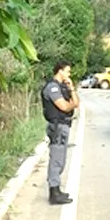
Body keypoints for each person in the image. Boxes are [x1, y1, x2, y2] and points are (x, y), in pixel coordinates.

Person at [41, 61, 80, 205]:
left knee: (61, 160)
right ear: (60, 71)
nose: (69, 74)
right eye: (67, 71)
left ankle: (57, 190)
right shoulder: (52, 88)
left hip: (64, 125)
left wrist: (72, 89)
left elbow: (76, 102)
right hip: (57, 126)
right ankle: (54, 192)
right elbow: (64, 106)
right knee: (56, 159)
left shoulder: (62, 87)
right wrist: (71, 105)